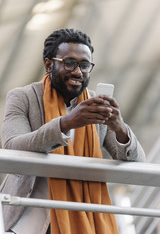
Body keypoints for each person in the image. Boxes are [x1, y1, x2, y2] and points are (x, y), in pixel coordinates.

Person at [0, 28, 145, 234]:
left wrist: (119, 126)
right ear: (49, 64)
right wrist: (67, 123)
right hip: (28, 220)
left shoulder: (95, 105)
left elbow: (138, 163)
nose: (78, 72)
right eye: (69, 63)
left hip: (84, 218)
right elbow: (13, 146)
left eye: (85, 65)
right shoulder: (23, 97)